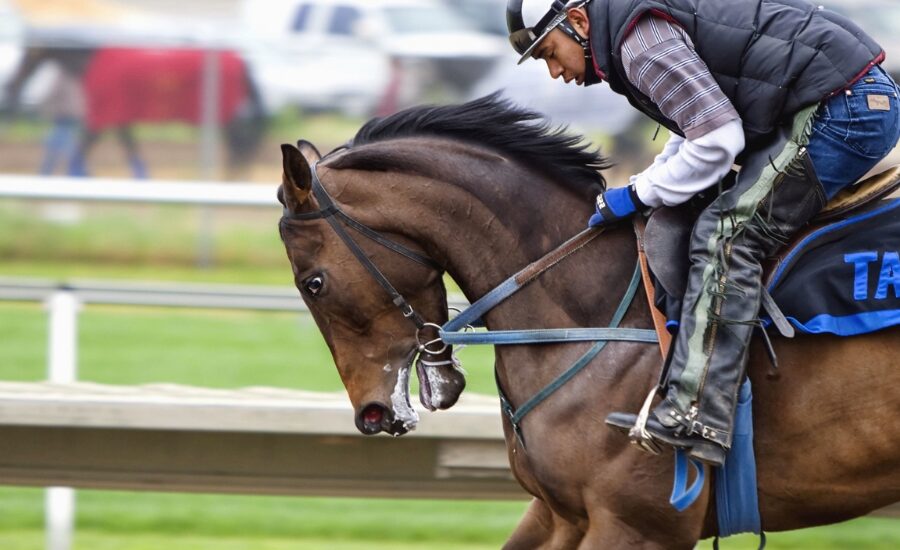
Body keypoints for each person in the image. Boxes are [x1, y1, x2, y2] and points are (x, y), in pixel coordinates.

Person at [508, 0, 900, 466]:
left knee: (726, 235)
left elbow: (717, 141)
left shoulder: (639, 44)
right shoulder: (633, 33)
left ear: (576, 21)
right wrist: (642, 187)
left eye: (549, 52)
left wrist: (636, 196)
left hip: (845, 110)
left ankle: (698, 412)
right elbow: (694, 127)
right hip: (839, 98)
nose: (554, 71)